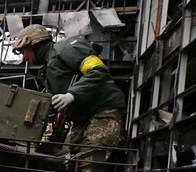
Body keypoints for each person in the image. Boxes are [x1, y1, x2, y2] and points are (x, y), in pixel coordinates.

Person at [14, 24, 126, 161]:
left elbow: (98, 70)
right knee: (72, 167)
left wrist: (71, 94)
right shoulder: (49, 67)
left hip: (103, 111)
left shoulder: (65, 49)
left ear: (36, 44)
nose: (24, 57)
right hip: (82, 118)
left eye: (23, 51)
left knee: (87, 165)